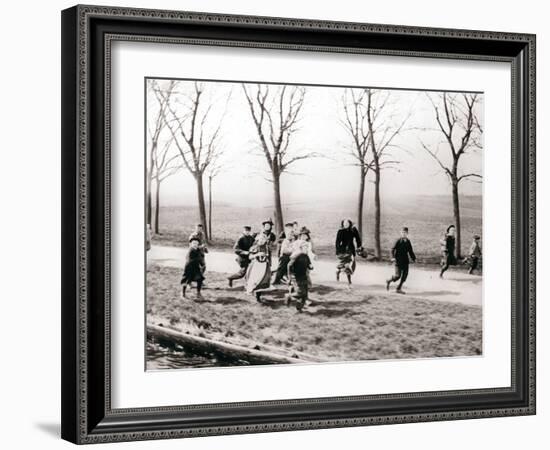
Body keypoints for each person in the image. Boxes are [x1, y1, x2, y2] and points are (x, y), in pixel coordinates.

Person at [386, 226, 416, 294]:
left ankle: (398, 288)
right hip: (398, 261)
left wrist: (414, 258)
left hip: (405, 261)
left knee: (405, 275)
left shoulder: (408, 241)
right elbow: (392, 249)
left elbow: (410, 251)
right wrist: (392, 257)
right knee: (398, 276)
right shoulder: (398, 240)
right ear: (400, 233)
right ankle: (389, 281)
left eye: (405, 232)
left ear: (407, 233)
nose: (404, 234)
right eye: (402, 232)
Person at [286, 239, 314, 312]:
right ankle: (289, 296)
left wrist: (310, 266)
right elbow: (289, 266)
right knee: (300, 292)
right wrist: (290, 276)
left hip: (304, 276)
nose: (306, 249)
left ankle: (299, 308)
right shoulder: (296, 256)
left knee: (305, 293)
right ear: (300, 248)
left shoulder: (306, 256)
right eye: (305, 247)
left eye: (307, 247)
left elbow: (308, 264)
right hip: (296, 277)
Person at [335, 219, 363, 285]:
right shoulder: (341, 231)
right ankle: (349, 281)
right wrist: (338, 251)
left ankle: (338, 272)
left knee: (348, 265)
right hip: (343, 250)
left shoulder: (353, 230)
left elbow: (358, 239)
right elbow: (337, 242)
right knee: (347, 265)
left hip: (350, 249)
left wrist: (359, 247)